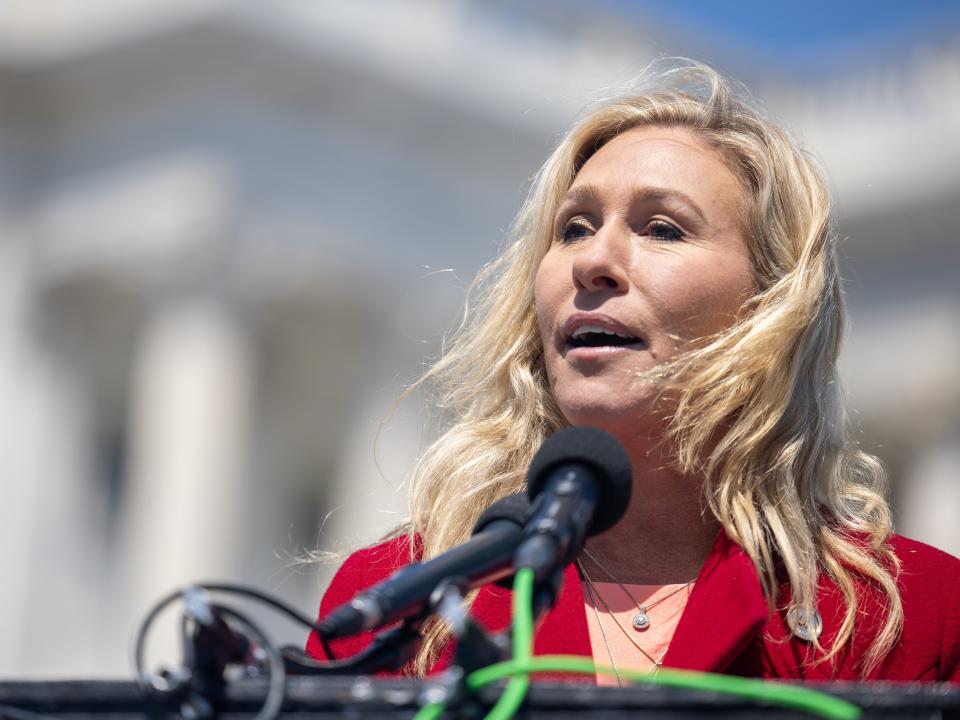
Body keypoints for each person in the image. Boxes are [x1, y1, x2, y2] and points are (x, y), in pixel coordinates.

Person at [306, 60, 960, 683]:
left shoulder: (913, 619)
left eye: (663, 229)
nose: (595, 259)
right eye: (574, 227)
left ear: (770, 305)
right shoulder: (395, 605)